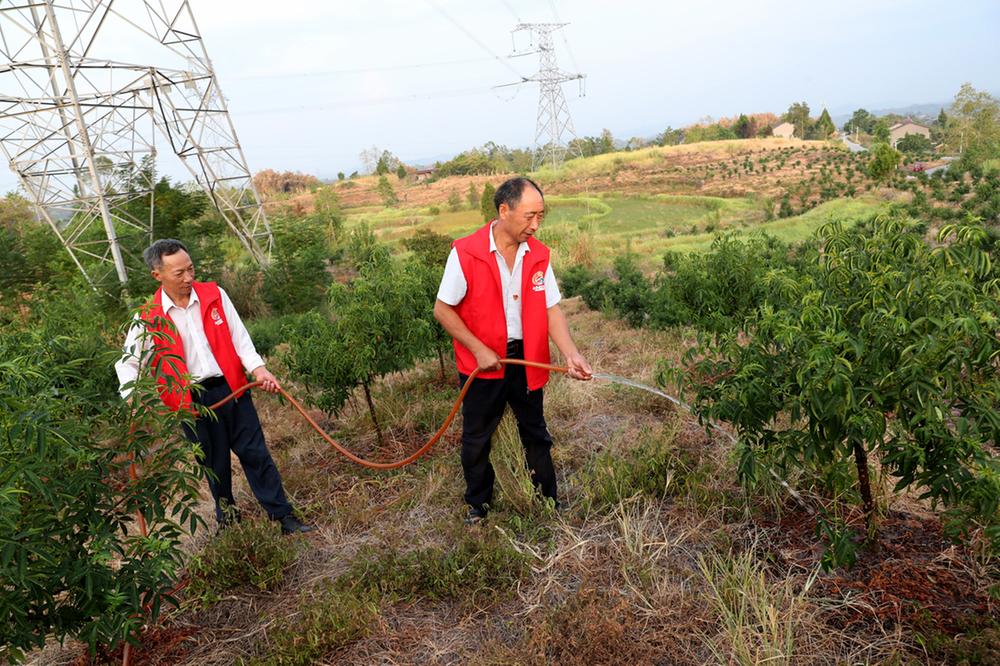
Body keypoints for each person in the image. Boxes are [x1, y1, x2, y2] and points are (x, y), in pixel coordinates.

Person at [115, 239, 314, 535]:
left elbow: (240, 340)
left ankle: (283, 517)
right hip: (191, 404)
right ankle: (229, 525)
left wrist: (259, 369)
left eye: (191, 269)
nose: (188, 278)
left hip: (232, 390)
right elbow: (128, 364)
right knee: (214, 465)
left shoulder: (214, 295)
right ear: (157, 275)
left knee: (256, 454)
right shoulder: (147, 318)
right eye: (179, 273)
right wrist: (132, 397)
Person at [434, 177, 593, 524]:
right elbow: (442, 309)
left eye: (540, 216)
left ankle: (547, 500)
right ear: (503, 210)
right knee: (477, 437)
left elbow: (552, 309)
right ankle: (479, 505)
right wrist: (478, 349)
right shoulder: (466, 252)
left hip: (526, 358)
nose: (535, 225)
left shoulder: (538, 255)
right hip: (482, 364)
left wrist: (571, 353)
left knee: (535, 431)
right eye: (528, 216)